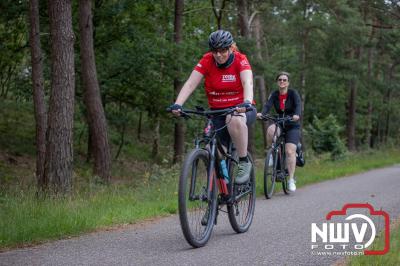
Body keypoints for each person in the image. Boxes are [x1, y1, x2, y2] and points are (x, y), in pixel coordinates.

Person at [169, 30, 256, 184]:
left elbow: (247, 82)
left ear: (231, 48)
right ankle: (223, 184)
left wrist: (247, 102)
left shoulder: (240, 59)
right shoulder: (207, 60)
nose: (219, 55)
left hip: (241, 109)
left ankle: (244, 161)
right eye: (215, 51)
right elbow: (190, 84)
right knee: (210, 149)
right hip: (217, 111)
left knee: (233, 118)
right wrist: (178, 104)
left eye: (223, 50)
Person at [258, 72, 301, 192]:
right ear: (277, 82)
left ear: (288, 82)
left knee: (289, 151)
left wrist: (297, 115)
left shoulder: (293, 94)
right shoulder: (274, 94)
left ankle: (291, 179)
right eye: (280, 80)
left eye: (284, 80)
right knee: (271, 130)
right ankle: (271, 153)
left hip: (292, 125)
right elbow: (267, 105)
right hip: (280, 123)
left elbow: (298, 105)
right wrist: (263, 114)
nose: (282, 81)